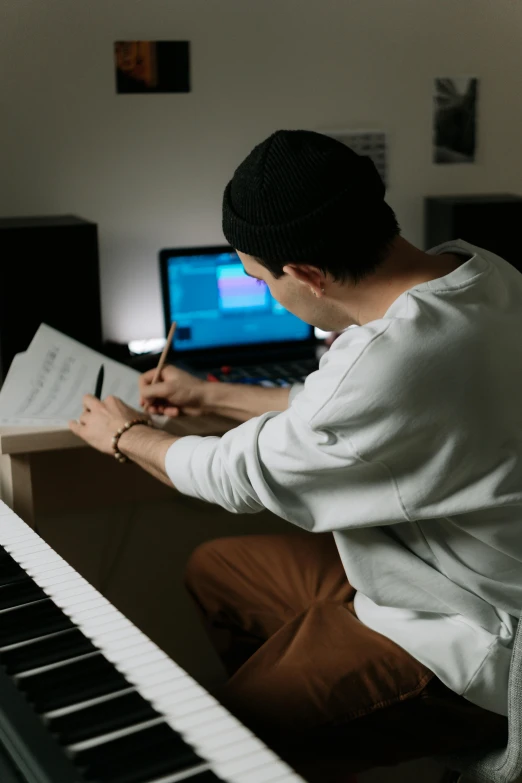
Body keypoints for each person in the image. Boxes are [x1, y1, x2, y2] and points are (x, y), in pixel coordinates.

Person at [70, 130, 521, 781]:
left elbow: (233, 475)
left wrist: (124, 435)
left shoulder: (387, 361)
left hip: (469, 632)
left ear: (308, 274)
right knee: (217, 567)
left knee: (226, 736)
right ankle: (321, 729)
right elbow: (341, 415)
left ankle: (293, 737)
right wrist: (209, 393)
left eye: (259, 278)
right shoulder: (479, 270)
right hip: (416, 567)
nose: (264, 292)